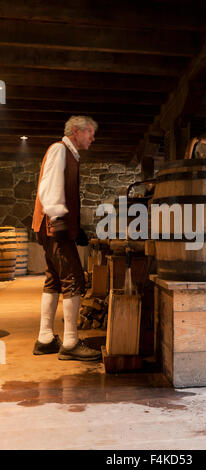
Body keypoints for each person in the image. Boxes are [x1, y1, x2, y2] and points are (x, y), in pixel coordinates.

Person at [32, 115, 101, 361]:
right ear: (76, 131)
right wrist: (60, 220)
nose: (93, 138)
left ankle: (45, 338)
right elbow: (49, 187)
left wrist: (74, 226)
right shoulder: (59, 150)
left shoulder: (69, 154)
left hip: (54, 226)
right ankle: (71, 342)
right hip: (54, 227)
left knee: (54, 279)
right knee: (74, 278)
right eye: (90, 132)